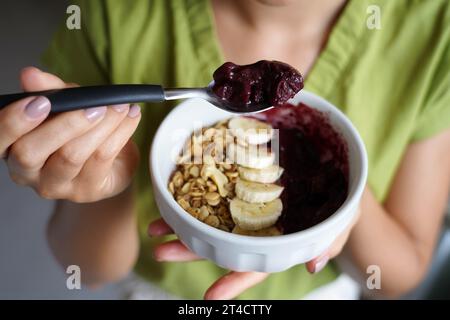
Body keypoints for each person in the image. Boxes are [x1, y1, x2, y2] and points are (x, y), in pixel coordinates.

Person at [1, 0, 449, 299]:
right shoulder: (112, 14)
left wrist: (344, 202)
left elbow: (397, 276)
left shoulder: (433, 36)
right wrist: (101, 172)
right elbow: (85, 269)